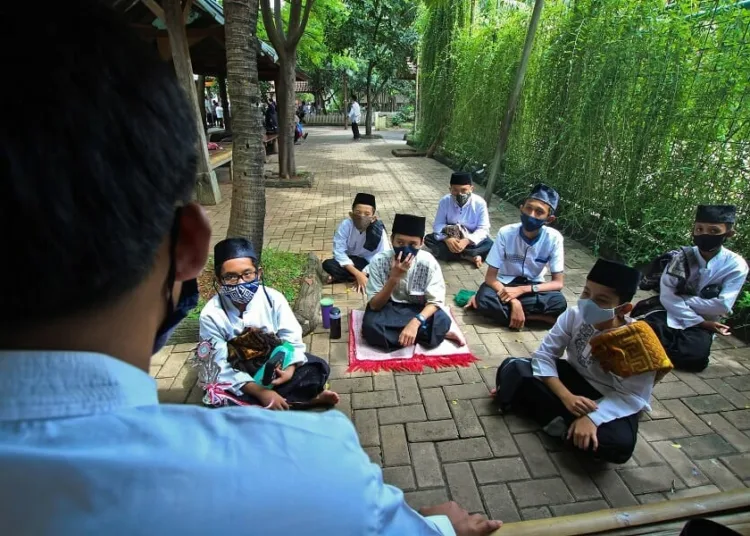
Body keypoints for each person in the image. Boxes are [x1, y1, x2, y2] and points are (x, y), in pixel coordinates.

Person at [0, 4, 502, 535]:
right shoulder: (317, 468)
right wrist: (443, 529)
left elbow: (292, 330)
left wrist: (288, 359)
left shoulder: (369, 267)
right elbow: (218, 360)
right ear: (194, 249)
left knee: (396, 331)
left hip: (288, 357)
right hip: (255, 372)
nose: (241, 285)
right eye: (232, 277)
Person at [494, 260, 670, 464]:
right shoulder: (573, 315)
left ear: (624, 309)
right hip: (571, 380)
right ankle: (567, 429)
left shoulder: (638, 343)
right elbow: (544, 355)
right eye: (586, 293)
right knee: (514, 366)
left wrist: (592, 418)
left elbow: (633, 397)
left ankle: (549, 415)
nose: (588, 302)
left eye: (602, 300)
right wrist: (566, 397)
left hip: (608, 398)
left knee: (619, 445)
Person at [199, 238, 338, 409]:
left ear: (259, 273)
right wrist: (260, 392)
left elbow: (292, 338)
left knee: (316, 368)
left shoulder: (273, 298)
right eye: (231, 277)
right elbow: (218, 365)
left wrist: (290, 370)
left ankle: (273, 405)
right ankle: (301, 399)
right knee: (216, 398)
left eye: (247, 274)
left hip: (273, 367)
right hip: (238, 375)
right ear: (219, 280)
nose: (241, 282)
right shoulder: (211, 314)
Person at [635, 205, 748, 372]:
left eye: (714, 231)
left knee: (695, 359)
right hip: (669, 311)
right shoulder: (680, 257)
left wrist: (683, 299)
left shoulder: (736, 265)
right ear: (693, 231)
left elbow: (722, 306)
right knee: (638, 338)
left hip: (705, 321)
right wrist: (700, 321)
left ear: (728, 234)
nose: (705, 234)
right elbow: (666, 296)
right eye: (699, 229)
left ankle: (659, 352)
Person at [466, 183, 567, 329]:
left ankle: (511, 317)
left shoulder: (554, 238)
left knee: (558, 302)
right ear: (521, 209)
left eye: (539, 212)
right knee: (485, 298)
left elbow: (558, 283)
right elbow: (490, 278)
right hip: (504, 285)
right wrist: (514, 302)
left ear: (549, 219)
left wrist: (522, 290)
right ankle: (535, 318)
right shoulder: (505, 233)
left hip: (533, 287)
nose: (531, 215)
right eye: (529, 208)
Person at [363, 214, 461, 350]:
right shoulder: (379, 261)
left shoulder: (428, 262)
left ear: (421, 243)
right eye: (400, 243)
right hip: (389, 308)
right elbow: (375, 305)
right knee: (371, 327)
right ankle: (429, 334)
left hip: (419, 310)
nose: (406, 249)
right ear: (392, 240)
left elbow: (435, 302)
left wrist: (415, 323)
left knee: (443, 321)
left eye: (412, 244)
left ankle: (413, 333)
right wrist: (394, 278)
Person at [322, 193, 391, 291]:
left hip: (369, 264)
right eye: (358, 212)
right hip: (351, 262)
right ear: (351, 214)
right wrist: (358, 274)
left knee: (385, 270)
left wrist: (364, 273)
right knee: (328, 264)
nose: (362, 217)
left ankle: (349, 278)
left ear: (373, 218)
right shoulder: (346, 225)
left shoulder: (378, 231)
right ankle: (359, 278)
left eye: (367, 214)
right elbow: (339, 251)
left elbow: (383, 257)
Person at [424, 171, 493, 268]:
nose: (459, 194)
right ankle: (470, 256)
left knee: (490, 244)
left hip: (470, 238)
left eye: (464, 190)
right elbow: (438, 224)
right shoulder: (445, 201)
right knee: (429, 239)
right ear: (450, 189)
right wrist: (447, 238)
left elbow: (483, 228)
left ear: (471, 189)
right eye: (455, 190)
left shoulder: (480, 203)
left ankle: (463, 254)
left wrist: (467, 241)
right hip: (451, 236)